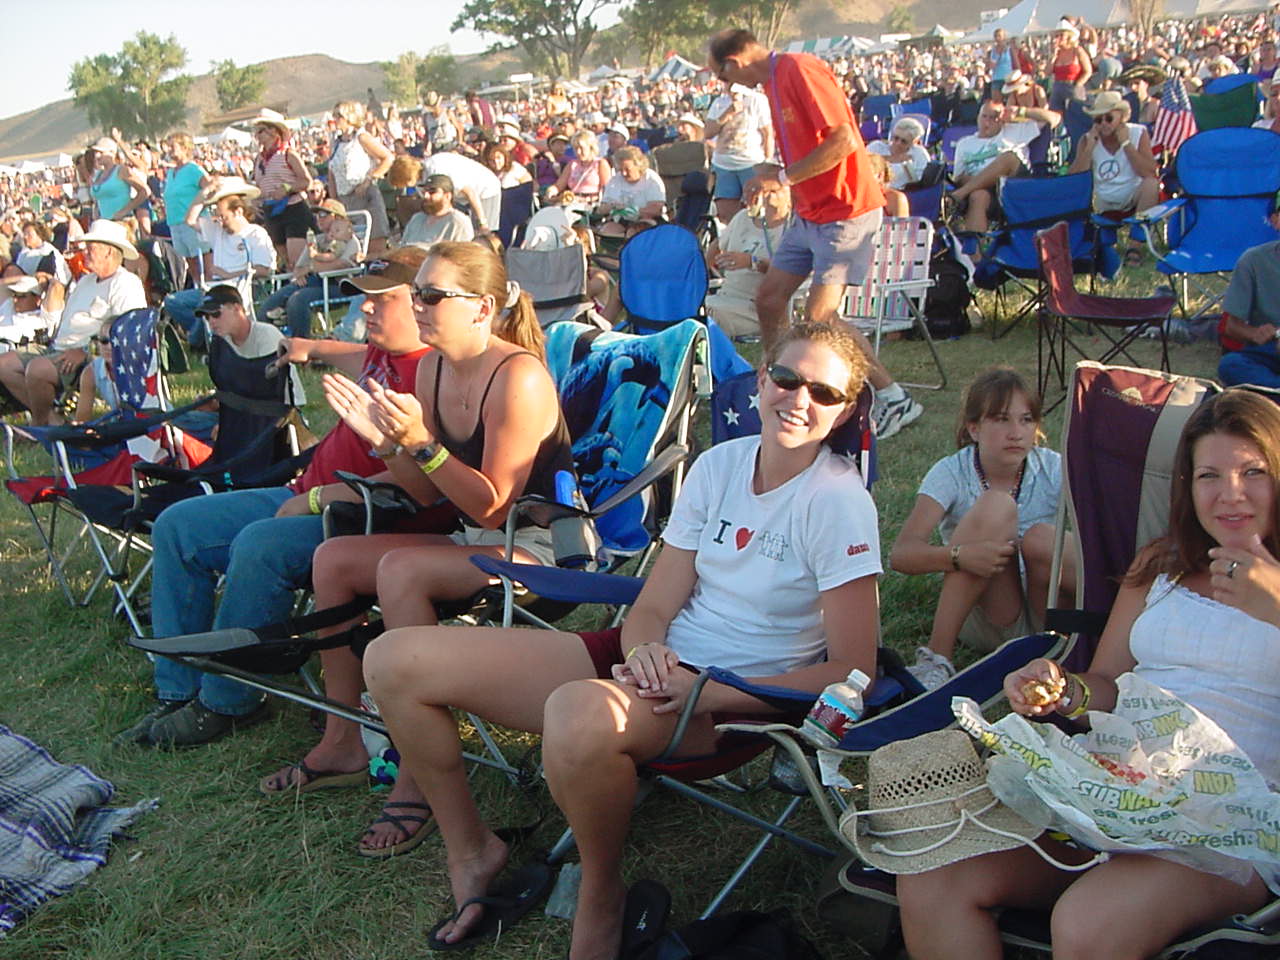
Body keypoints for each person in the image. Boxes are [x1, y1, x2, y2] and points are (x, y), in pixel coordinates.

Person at [363, 321, 882, 957]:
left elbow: (852, 671)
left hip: (731, 703)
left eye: (824, 393)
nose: (800, 400)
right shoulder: (720, 467)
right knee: (394, 660)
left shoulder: (838, 503)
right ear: (763, 376)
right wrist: (641, 651)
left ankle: (600, 891)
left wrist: (710, 692)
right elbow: (657, 602)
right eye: (787, 378)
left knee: (576, 713)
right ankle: (472, 850)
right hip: (654, 665)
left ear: (848, 407)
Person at [896, 388, 1280, 960]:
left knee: (1087, 923)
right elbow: (1105, 684)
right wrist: (1061, 688)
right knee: (933, 867)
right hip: (1114, 790)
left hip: (1233, 820)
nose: (1230, 494)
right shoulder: (1161, 564)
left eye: (1253, 471)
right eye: (1208, 475)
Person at [260, 242, 570, 859]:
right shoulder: (432, 369)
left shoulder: (519, 377)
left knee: (400, 569)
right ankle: (344, 738)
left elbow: (494, 507)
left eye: (432, 295)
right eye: (418, 293)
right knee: (336, 559)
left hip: (539, 548)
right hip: (475, 541)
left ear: (481, 308)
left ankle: (414, 776)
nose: (418, 305)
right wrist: (387, 444)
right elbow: (423, 486)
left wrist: (421, 441)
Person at [118, 246, 432, 749]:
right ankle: (178, 687)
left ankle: (227, 701)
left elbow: (427, 487)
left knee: (262, 546)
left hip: (359, 517)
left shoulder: (434, 376)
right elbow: (353, 354)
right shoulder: (384, 352)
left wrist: (316, 500)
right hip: (301, 492)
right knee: (179, 525)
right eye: (364, 299)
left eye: (381, 299)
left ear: (422, 302)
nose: (365, 308)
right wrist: (311, 346)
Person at [708, 28, 923, 441]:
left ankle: (893, 397)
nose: (728, 85)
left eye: (722, 76)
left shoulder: (799, 69)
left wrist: (784, 178)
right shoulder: (771, 83)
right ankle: (777, 379)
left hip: (844, 210)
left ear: (733, 63)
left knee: (820, 317)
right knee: (769, 300)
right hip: (810, 212)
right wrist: (773, 170)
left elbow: (843, 140)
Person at [889, 367, 1075, 689]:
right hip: (993, 611)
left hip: (1050, 611)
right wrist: (960, 556)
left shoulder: (1054, 467)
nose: (1016, 432)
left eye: (1026, 419)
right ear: (974, 428)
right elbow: (902, 554)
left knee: (1041, 539)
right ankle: (936, 658)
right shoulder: (951, 471)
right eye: (1001, 419)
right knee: (996, 505)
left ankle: (1099, 636)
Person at [0, 220, 146, 425]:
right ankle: (52, 420)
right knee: (4, 364)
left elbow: (125, 331)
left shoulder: (125, 283)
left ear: (109, 252)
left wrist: (86, 351)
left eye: (91, 248)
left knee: (37, 369)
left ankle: (41, 426)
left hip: (88, 354)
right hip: (58, 347)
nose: (84, 253)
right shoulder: (86, 281)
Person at [162, 177, 275, 350]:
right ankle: (199, 334)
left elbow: (264, 269)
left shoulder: (255, 234)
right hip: (214, 287)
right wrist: (204, 193)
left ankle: (197, 339)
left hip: (240, 288)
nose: (220, 221)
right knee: (172, 301)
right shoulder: (217, 231)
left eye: (224, 217)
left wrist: (230, 274)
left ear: (238, 211)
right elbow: (190, 220)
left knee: (209, 304)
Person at [1069, 90, 1159, 267]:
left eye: (1108, 118)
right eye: (1098, 120)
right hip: (1102, 201)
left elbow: (1149, 172)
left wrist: (1126, 144)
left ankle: (1135, 247)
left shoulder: (1138, 133)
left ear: (1122, 117)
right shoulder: (1087, 140)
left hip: (1133, 195)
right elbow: (1074, 181)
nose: (1103, 124)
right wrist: (1089, 149)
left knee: (1151, 184)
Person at [950, 100, 1062, 235]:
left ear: (1002, 119)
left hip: (1014, 185)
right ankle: (975, 253)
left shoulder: (1015, 131)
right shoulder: (964, 143)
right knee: (978, 196)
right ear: (978, 117)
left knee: (1009, 157)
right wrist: (982, 180)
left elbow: (1055, 118)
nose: (987, 122)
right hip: (986, 190)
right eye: (984, 116)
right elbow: (958, 178)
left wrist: (1021, 111)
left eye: (993, 118)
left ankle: (959, 195)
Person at [259, 198, 360, 338]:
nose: (319, 219)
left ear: (337, 217)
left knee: (297, 299)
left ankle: (300, 343)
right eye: (317, 215)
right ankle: (272, 346)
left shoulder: (349, 241)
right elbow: (299, 267)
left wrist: (311, 267)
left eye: (324, 215)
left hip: (339, 287)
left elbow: (340, 265)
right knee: (269, 305)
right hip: (314, 283)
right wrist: (300, 273)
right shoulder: (317, 240)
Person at [704, 186, 792, 337]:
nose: (769, 190)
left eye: (777, 186)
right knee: (682, 304)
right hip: (725, 296)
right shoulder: (743, 218)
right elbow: (718, 245)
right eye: (766, 186)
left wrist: (752, 262)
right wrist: (699, 273)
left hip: (757, 307)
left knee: (703, 315)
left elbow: (788, 273)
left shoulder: (793, 228)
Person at [1218, 198, 1280, 390]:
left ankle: (1269, 395)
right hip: (1270, 350)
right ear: (1275, 220)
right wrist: (1254, 333)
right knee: (1231, 365)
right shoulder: (1254, 261)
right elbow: (1231, 327)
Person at [248, 110, 313, 271]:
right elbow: (260, 185)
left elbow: (306, 181)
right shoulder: (259, 159)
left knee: (297, 259)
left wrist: (287, 188)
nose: (258, 135)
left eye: (261, 130)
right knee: (284, 262)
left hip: (293, 210)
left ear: (273, 131)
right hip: (271, 212)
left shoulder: (288, 154)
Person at [328, 101, 393, 258]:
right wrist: (334, 200)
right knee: (351, 247)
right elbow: (332, 172)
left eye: (339, 116)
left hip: (364, 196)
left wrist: (368, 180)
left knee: (374, 245)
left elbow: (387, 157)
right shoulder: (336, 143)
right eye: (334, 115)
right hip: (345, 200)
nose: (335, 119)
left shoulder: (361, 137)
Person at [704, 81, 774, 223]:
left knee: (755, 211)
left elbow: (767, 134)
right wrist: (728, 112)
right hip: (723, 165)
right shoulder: (719, 103)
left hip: (750, 163)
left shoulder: (756, 100)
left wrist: (767, 163)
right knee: (726, 215)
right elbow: (708, 133)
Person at [162, 134, 214, 282]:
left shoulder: (193, 169)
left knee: (204, 265)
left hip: (193, 223)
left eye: (173, 147)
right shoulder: (171, 172)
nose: (169, 150)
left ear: (185, 148)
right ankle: (200, 293)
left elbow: (209, 189)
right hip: (175, 223)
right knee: (192, 267)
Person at [420, 149, 503, 236]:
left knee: (482, 236)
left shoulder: (437, 170)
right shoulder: (423, 174)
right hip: (461, 198)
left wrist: (483, 223)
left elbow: (470, 193)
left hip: (486, 189)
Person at [400, 174, 475, 246]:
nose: (426, 196)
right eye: (424, 192)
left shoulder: (458, 222)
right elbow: (402, 246)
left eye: (432, 192)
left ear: (447, 196)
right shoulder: (417, 219)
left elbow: (464, 255)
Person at [89, 138, 151, 225]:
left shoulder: (121, 170)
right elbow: (97, 200)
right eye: (95, 152)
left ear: (112, 153)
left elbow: (144, 191)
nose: (97, 156)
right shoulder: (97, 175)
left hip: (123, 223)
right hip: (103, 224)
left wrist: (124, 211)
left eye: (101, 152)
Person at [546, 131, 611, 207]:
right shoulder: (572, 164)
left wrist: (586, 199)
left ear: (590, 147)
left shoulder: (600, 163)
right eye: (576, 149)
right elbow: (559, 185)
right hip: (571, 200)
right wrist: (551, 191)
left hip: (591, 203)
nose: (578, 152)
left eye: (581, 148)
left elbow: (606, 190)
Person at [599, 147, 666, 219]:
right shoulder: (615, 180)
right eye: (620, 170)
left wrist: (632, 210)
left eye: (627, 169)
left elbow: (657, 210)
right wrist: (613, 206)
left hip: (647, 219)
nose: (624, 173)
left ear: (638, 165)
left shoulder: (651, 179)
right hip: (620, 220)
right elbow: (602, 208)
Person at [866, 116, 930, 189]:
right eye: (896, 138)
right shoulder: (876, 147)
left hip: (904, 192)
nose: (898, 143)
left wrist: (908, 165)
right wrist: (894, 159)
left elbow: (919, 183)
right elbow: (863, 166)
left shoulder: (919, 154)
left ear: (914, 142)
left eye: (904, 141)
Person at [1046, 18, 1092, 111]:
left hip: (1073, 84)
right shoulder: (1056, 53)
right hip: (1057, 87)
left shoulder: (1077, 50)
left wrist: (1078, 84)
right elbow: (1047, 72)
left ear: (1069, 36)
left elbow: (1088, 71)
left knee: (1077, 112)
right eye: (1057, 35)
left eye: (1061, 35)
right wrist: (1053, 56)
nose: (1058, 38)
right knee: (1056, 115)